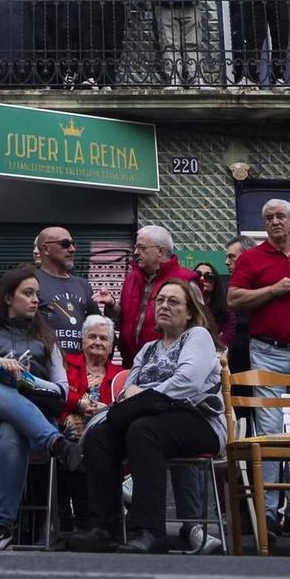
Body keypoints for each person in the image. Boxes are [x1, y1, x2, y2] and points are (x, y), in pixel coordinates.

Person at [68, 278, 228, 555]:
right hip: (153, 420)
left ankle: (150, 531)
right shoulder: (148, 349)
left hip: (200, 421)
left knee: (142, 429)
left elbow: (186, 383)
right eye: (160, 300)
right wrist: (132, 400)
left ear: (190, 312)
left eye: (173, 301)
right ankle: (104, 528)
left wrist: (144, 396)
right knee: (100, 438)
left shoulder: (197, 336)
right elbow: (127, 393)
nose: (164, 305)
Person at [0, 266, 82, 550]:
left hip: (28, 426)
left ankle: (0, 528)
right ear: (8, 298)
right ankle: (57, 444)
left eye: (37, 294)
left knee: (12, 429)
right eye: (28, 294)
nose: (35, 300)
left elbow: (62, 391)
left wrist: (28, 380)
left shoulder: (47, 340)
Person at [230, 199, 290, 534]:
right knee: (270, 431)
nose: (274, 222)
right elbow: (234, 299)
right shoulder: (251, 259)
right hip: (266, 349)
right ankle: (268, 512)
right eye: (268, 217)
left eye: (280, 216)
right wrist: (272, 290)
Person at [56, 314, 119, 531]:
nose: (98, 342)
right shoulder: (67, 364)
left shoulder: (121, 375)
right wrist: (75, 408)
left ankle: (91, 518)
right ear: (82, 341)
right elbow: (57, 395)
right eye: (92, 337)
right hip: (69, 429)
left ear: (111, 346)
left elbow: (124, 405)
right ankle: (76, 515)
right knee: (73, 438)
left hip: (106, 431)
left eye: (103, 338)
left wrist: (106, 410)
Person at [118, 225, 199, 363]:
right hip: (131, 364)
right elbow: (122, 319)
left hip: (169, 365)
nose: (136, 252)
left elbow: (199, 324)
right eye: (136, 247)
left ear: (160, 251)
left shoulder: (186, 280)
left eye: (142, 248)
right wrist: (112, 306)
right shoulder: (132, 278)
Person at [32, 225, 94, 364]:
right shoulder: (31, 282)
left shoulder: (83, 285)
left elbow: (96, 326)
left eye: (73, 244)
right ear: (46, 249)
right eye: (65, 244)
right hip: (45, 367)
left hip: (79, 370)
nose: (72, 249)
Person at [222, 238, 251, 372]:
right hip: (231, 355)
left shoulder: (266, 284)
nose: (226, 262)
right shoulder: (224, 288)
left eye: (231, 257)